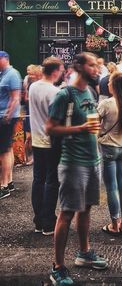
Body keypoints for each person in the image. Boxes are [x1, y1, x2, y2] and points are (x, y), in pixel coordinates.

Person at [46, 52, 108, 286]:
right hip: (72, 163)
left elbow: (90, 124)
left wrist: (93, 127)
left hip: (93, 160)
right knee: (67, 212)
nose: (96, 69)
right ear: (79, 66)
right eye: (92, 65)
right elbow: (51, 128)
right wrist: (81, 128)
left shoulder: (90, 92)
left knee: (86, 209)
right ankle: (58, 267)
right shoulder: (65, 94)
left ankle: (84, 253)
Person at [28, 57, 63, 234]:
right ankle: (49, 221)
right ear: (55, 71)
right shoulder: (55, 92)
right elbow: (56, 118)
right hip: (50, 141)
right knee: (52, 181)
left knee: (38, 179)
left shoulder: (33, 87)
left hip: (36, 139)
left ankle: (38, 221)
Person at [98, 72, 122, 235]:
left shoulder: (106, 104)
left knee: (111, 187)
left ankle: (114, 224)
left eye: (110, 82)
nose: (107, 84)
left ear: (115, 85)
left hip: (108, 149)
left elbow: (93, 123)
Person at [0, 51, 22, 200]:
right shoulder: (4, 74)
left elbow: (15, 97)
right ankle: (9, 182)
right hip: (5, 116)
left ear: (4, 59)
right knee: (6, 149)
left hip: (5, 117)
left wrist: (7, 115)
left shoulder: (12, 74)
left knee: (4, 151)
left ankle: (4, 186)